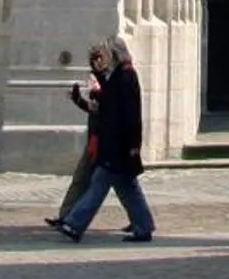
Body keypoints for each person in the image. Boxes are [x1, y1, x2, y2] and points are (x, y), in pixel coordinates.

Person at [49, 36, 153, 243]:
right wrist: (92, 81)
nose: (104, 59)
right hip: (113, 144)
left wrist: (134, 145)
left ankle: (74, 224)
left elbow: (131, 115)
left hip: (118, 145)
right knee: (127, 188)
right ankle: (144, 226)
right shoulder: (119, 76)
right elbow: (105, 103)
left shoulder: (126, 76)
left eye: (107, 54)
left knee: (99, 186)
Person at [50, 44, 111, 226]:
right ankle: (66, 216)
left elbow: (106, 106)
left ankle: (71, 219)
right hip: (95, 137)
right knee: (82, 178)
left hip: (105, 140)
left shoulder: (110, 79)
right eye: (93, 59)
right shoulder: (99, 78)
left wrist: (95, 93)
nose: (96, 63)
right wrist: (79, 99)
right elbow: (94, 109)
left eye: (99, 58)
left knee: (119, 184)